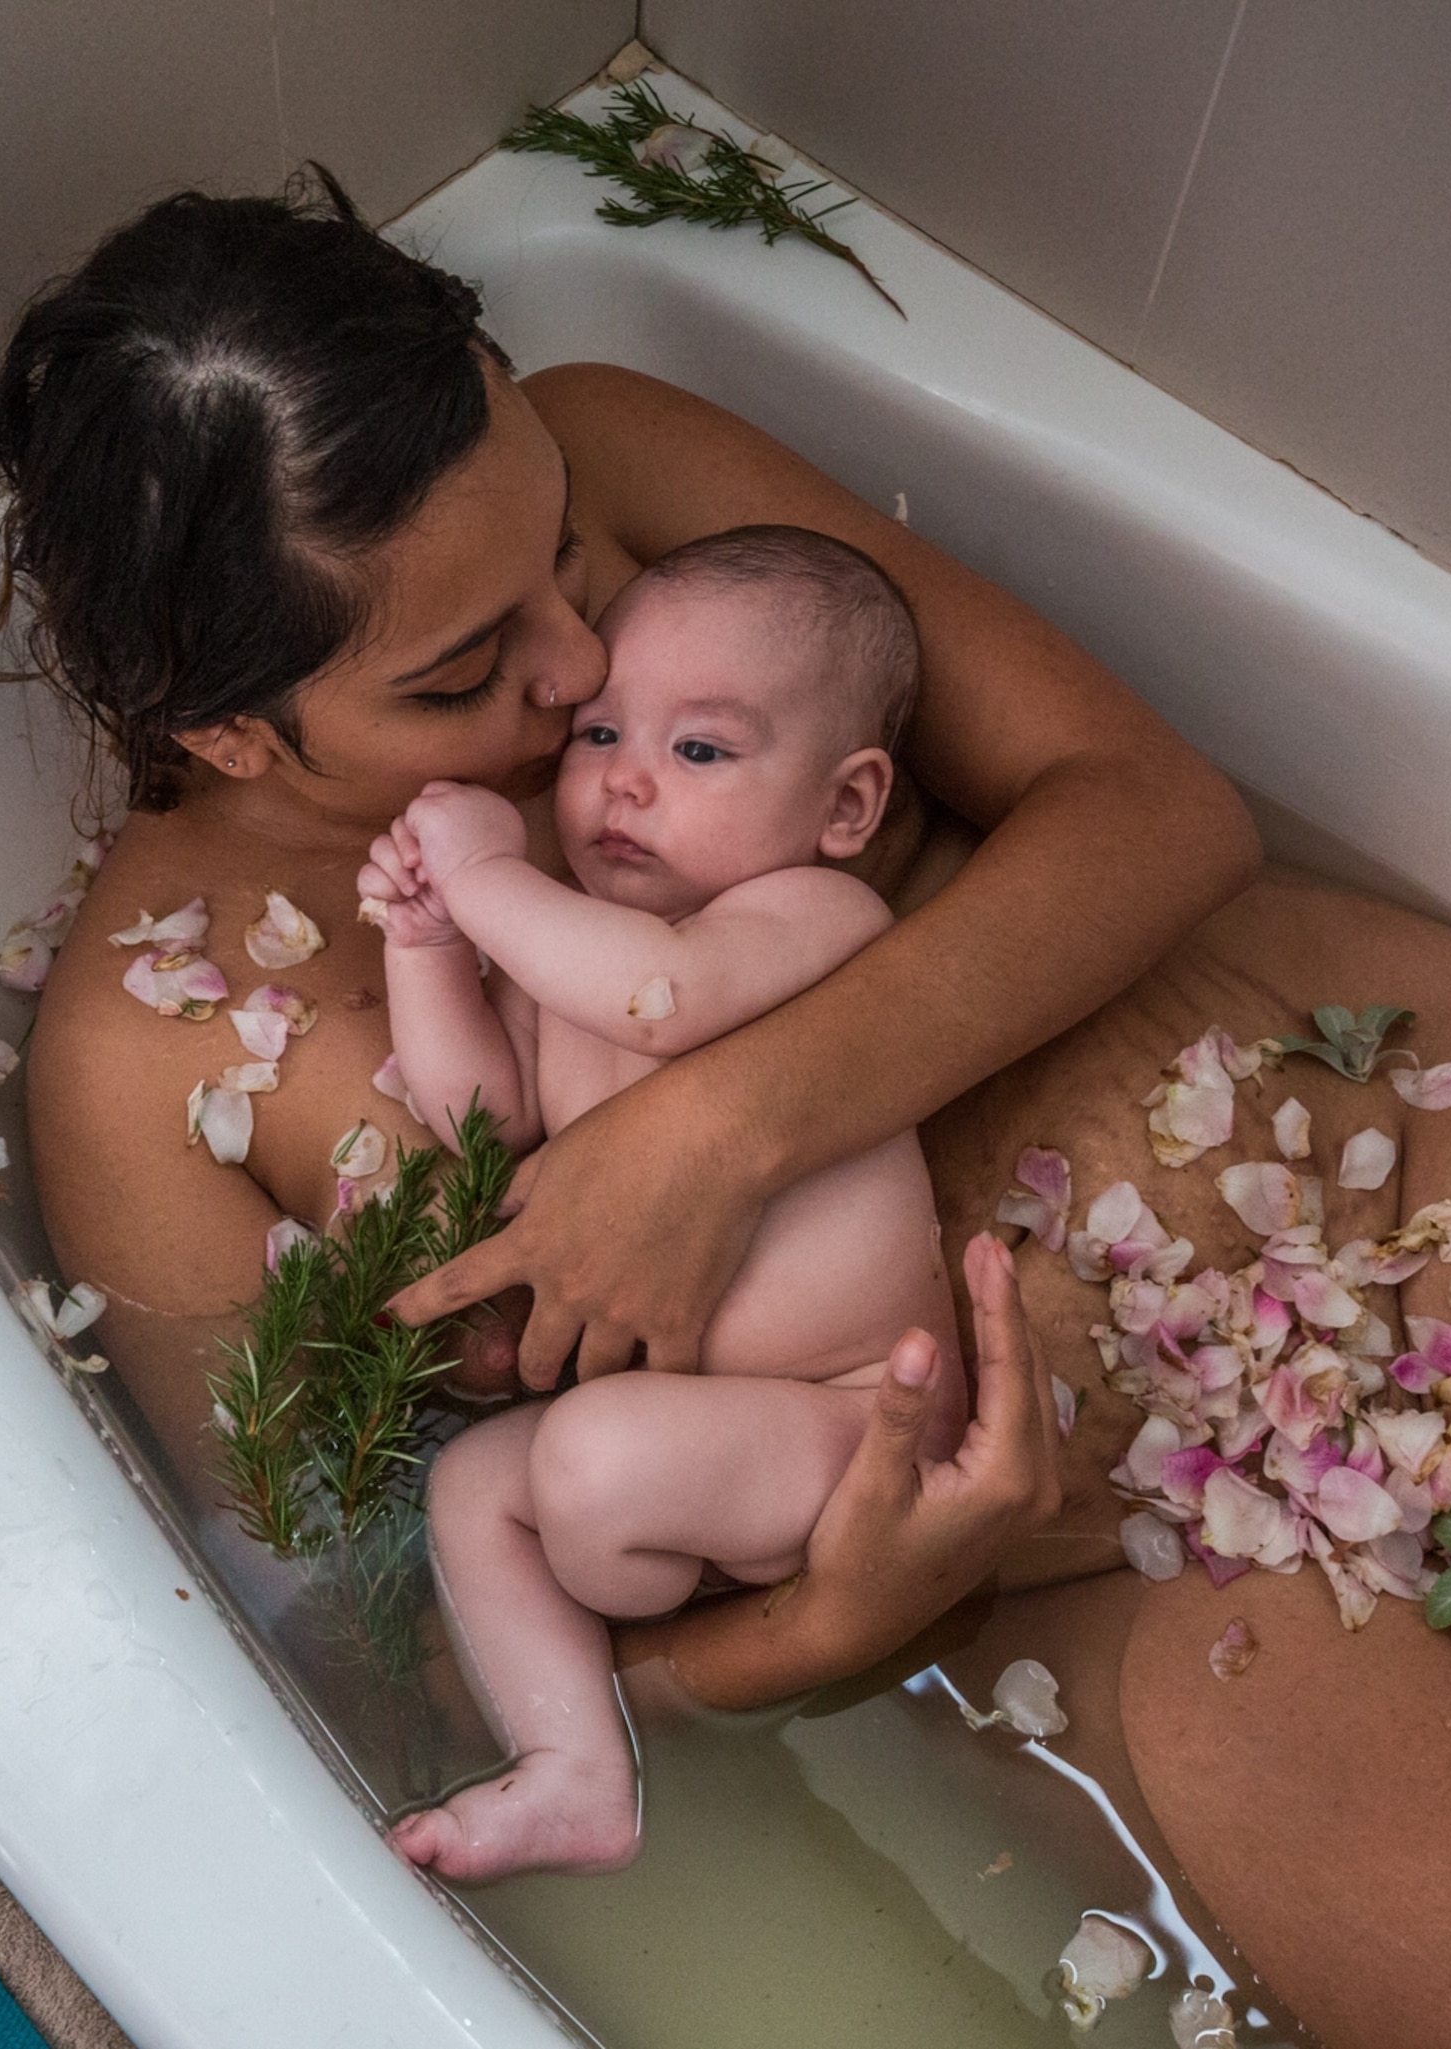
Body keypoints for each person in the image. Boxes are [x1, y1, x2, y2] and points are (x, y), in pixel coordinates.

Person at [0, 172, 1451, 2044]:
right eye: (466, 673)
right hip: (1057, 1562)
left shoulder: (616, 446)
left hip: (1347, 1119)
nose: (572, 667)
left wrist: (723, 1135)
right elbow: (385, 1659)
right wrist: (814, 1636)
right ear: (231, 731)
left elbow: (1152, 806)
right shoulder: (142, 1077)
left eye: (566, 558)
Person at [360, 527, 963, 1878]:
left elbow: (664, 993)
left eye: (699, 750)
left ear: (846, 807)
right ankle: (576, 1769)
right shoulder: (565, 941)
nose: (626, 780)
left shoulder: (811, 921)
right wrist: (427, 950)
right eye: (599, 735)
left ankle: (620, 1593)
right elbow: (483, 1112)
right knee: (476, 1489)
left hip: (850, 1425)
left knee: (584, 1462)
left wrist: (483, 877)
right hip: (694, 1437)